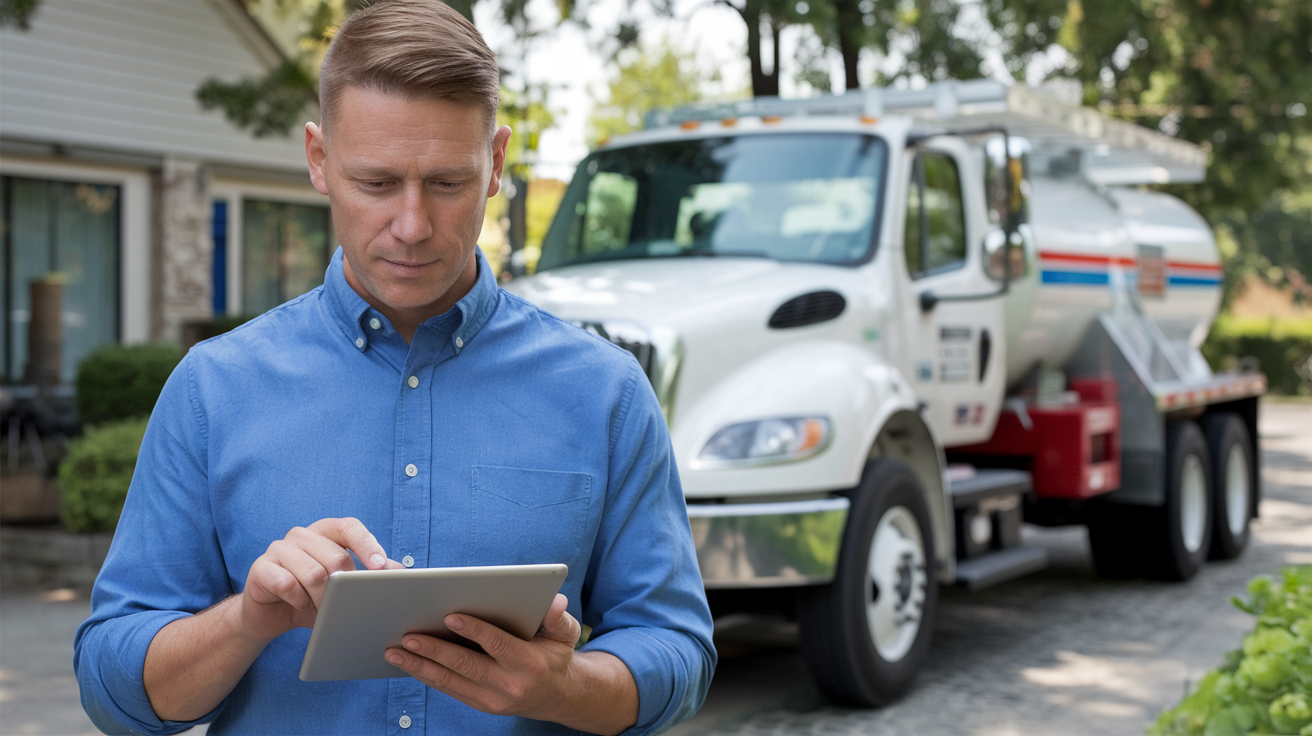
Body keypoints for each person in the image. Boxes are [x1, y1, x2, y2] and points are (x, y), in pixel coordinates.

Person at [73, 1, 716, 734]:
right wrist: (247, 621)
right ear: (318, 160)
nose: (411, 227)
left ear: (497, 163)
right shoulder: (211, 390)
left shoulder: (606, 393)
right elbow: (112, 690)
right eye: (376, 183)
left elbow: (679, 652)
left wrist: (564, 688)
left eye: (446, 183)